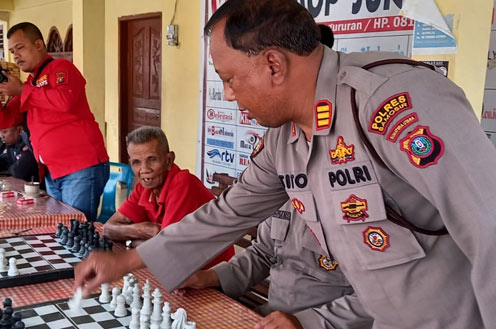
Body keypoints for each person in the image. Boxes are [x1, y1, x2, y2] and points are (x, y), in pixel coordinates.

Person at [75, 1, 496, 328]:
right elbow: (229, 212)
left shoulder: (388, 101)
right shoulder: (284, 139)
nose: (229, 95)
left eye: (230, 78)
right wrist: (129, 261)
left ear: (273, 65)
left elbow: (490, 227)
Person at [0, 22, 109, 221]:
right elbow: (5, 120)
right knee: (60, 230)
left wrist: (21, 91)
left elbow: (65, 102)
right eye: (12, 51)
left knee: (76, 232)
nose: (16, 55)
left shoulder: (61, 67)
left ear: (38, 45)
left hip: (79, 167)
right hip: (52, 170)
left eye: (20, 47)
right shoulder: (30, 83)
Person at [180, 200, 373, 328]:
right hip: (269, 317)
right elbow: (262, 253)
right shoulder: (285, 193)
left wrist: (305, 322)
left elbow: (382, 295)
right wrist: (211, 277)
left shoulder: (360, 207)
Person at [103, 126, 235, 269]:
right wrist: (143, 230)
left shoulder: (183, 183)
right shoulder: (145, 186)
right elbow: (108, 229)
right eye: (136, 162)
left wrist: (130, 240)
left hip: (210, 275)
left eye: (152, 159)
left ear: (169, 160)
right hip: (178, 267)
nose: (144, 169)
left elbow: (165, 250)